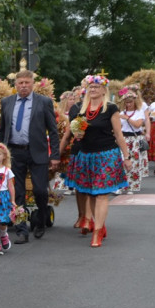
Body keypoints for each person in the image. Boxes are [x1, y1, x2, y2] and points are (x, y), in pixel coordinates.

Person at [61, 75, 131, 248]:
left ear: (103, 90)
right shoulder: (80, 109)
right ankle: (98, 223)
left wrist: (127, 156)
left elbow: (118, 134)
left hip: (106, 155)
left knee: (101, 193)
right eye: (91, 87)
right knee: (91, 192)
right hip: (86, 155)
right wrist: (77, 135)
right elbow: (74, 133)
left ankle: (97, 232)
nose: (93, 90)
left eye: (96, 87)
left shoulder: (111, 108)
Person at [0, 69, 60, 242]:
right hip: (14, 152)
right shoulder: (7, 102)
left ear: (33, 84)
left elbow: (53, 131)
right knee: (17, 192)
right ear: (15, 85)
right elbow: (3, 129)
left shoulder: (43, 102)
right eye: (20, 83)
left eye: (27, 83)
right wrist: (0, 152)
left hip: (37, 151)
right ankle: (21, 229)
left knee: (40, 190)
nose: (23, 86)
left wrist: (55, 155)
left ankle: (40, 221)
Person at [117, 89, 147, 193]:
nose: (129, 104)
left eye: (131, 102)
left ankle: (132, 186)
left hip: (135, 139)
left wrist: (127, 118)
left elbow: (138, 125)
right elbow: (118, 127)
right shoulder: (121, 113)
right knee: (121, 161)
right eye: (127, 102)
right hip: (124, 138)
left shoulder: (139, 112)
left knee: (134, 163)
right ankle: (121, 186)